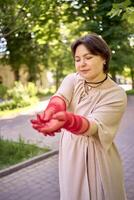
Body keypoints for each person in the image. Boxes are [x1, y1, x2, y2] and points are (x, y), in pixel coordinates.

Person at [31, 33, 127, 200]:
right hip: (71, 152)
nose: (81, 64)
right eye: (77, 59)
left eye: (88, 57)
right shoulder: (72, 79)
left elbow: (93, 126)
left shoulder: (116, 94)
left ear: (104, 57)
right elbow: (60, 97)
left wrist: (67, 120)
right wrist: (50, 112)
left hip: (99, 158)